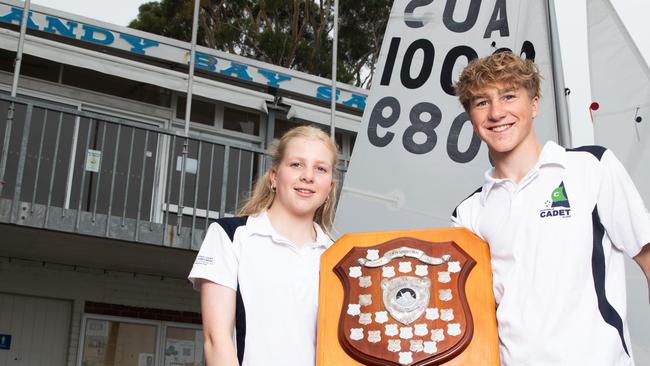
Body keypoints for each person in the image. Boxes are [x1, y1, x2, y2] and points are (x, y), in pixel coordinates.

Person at [451, 51, 650, 365]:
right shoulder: (468, 214)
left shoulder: (591, 168)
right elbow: (470, 312)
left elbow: (648, 257)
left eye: (509, 96)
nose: (496, 112)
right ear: (471, 116)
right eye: (481, 102)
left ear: (534, 104)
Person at [188, 125, 338, 366]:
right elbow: (217, 340)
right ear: (274, 177)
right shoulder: (230, 235)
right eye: (296, 164)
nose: (308, 176)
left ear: (329, 188)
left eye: (320, 168)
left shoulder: (339, 258)